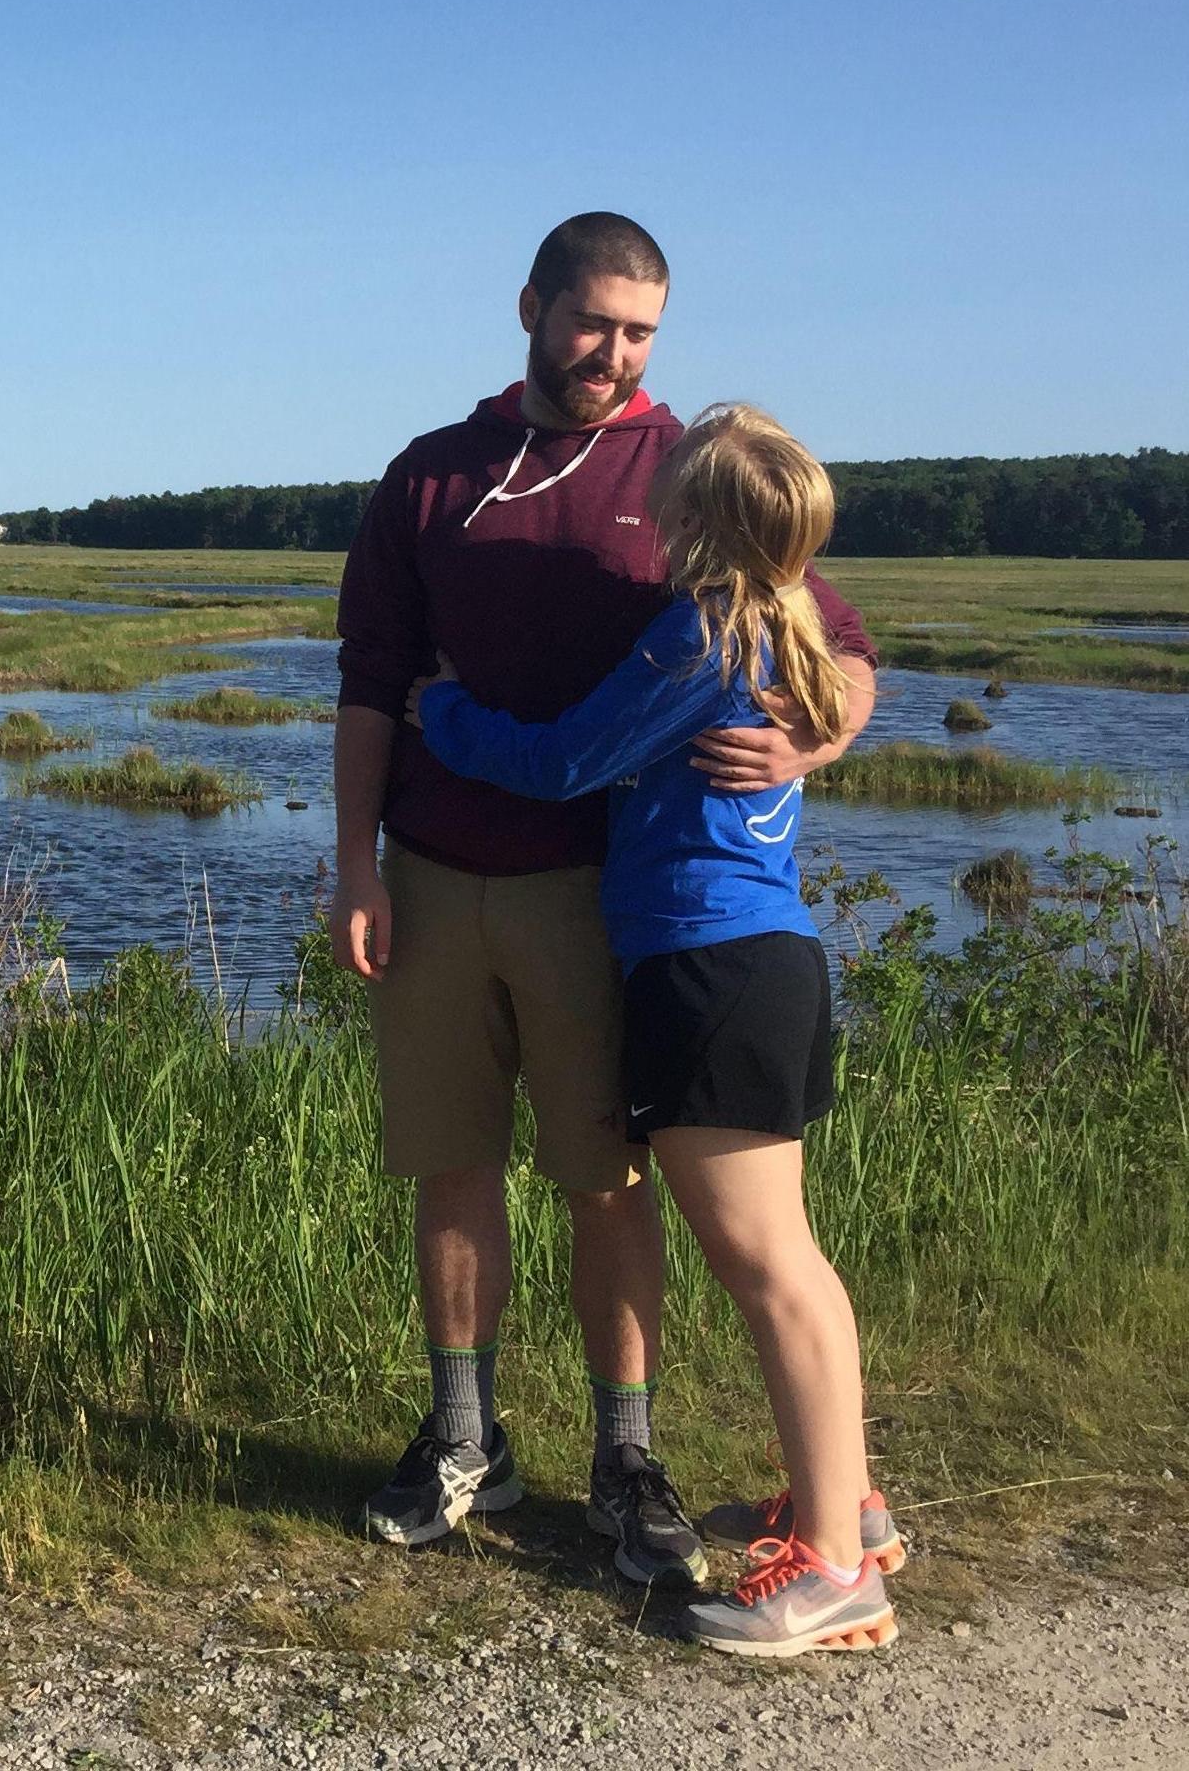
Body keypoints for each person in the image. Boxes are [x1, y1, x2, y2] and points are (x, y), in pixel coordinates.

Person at [332, 213, 878, 1588]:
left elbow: (833, 644)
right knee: (449, 1162)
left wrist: (807, 744)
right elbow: (362, 682)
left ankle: (624, 1457)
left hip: (608, 904)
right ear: (530, 306)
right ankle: (463, 1436)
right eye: (592, 325)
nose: (614, 354)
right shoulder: (429, 478)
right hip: (437, 877)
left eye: (639, 332)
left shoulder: (696, 468)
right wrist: (352, 861)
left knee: (605, 1180)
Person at [405, 403, 899, 1654]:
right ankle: (848, 1511)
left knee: (769, 1266)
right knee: (791, 1258)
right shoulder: (785, 621)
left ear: (693, 524)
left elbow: (568, 760)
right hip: (765, 958)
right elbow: (849, 684)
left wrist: (444, 713)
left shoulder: (703, 632)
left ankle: (834, 1567)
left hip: (706, 962)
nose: (654, 520)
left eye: (671, 503)